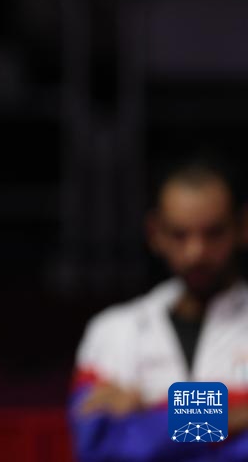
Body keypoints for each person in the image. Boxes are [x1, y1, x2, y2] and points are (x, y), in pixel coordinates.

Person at [70, 152, 248, 461]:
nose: (196, 252)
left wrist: (151, 408)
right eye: (180, 235)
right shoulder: (112, 331)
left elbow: (141, 440)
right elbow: (99, 444)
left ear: (242, 227)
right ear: (155, 233)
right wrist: (236, 416)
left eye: (214, 233)